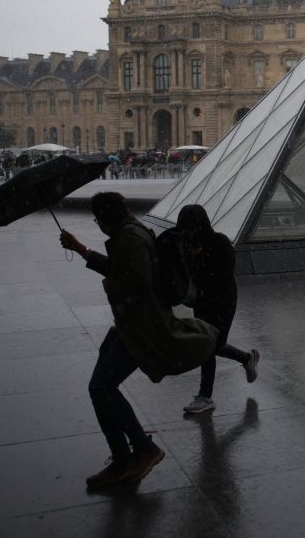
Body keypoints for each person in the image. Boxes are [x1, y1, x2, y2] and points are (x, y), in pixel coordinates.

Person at [60, 192, 219, 488]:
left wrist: (112, 286)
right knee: (100, 387)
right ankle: (123, 456)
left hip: (142, 328)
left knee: (101, 387)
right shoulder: (130, 232)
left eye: (98, 220)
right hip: (132, 325)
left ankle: (141, 450)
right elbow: (126, 269)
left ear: (103, 220)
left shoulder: (129, 237)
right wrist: (82, 250)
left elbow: (140, 279)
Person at [176, 204, 260, 414]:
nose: (186, 232)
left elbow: (221, 277)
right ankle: (246, 358)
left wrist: (200, 258)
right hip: (202, 303)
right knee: (211, 344)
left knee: (211, 345)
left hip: (223, 302)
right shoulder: (186, 245)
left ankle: (205, 396)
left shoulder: (220, 242)